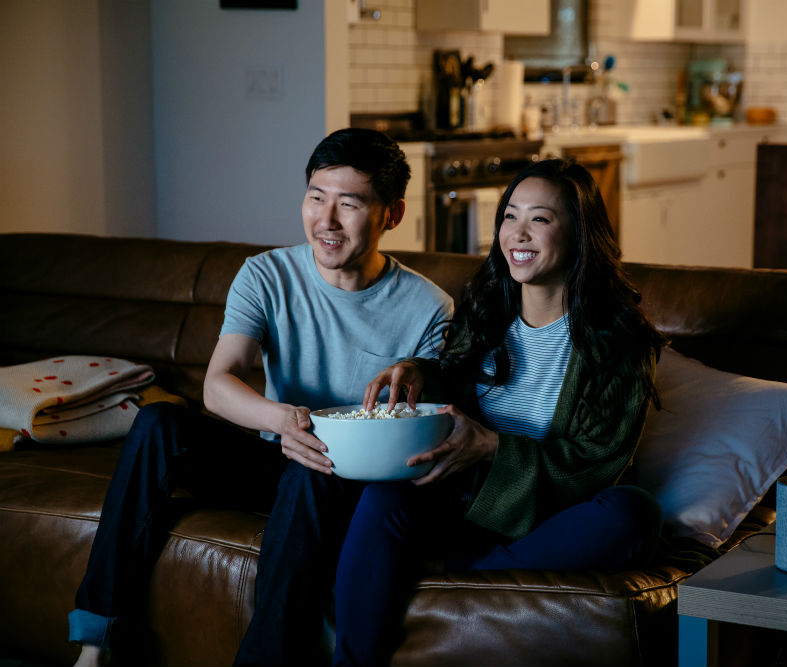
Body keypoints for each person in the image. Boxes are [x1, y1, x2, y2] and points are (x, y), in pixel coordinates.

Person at [68, 128, 454, 667]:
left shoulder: (429, 307)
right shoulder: (267, 274)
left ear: (392, 214)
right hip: (273, 456)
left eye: (350, 204)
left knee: (314, 466)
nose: (328, 220)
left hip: (348, 480)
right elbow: (218, 383)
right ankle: (95, 643)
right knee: (159, 423)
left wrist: (402, 386)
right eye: (317, 197)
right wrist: (284, 419)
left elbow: (427, 423)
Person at [333, 158, 667, 666]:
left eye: (541, 219)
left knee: (633, 512)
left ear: (579, 234)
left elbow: (595, 465)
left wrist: (492, 446)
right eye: (510, 216)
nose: (519, 233)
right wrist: (423, 371)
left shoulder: (618, 343)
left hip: (551, 520)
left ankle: (469, 576)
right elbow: (455, 382)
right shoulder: (486, 309)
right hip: (468, 502)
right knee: (385, 495)